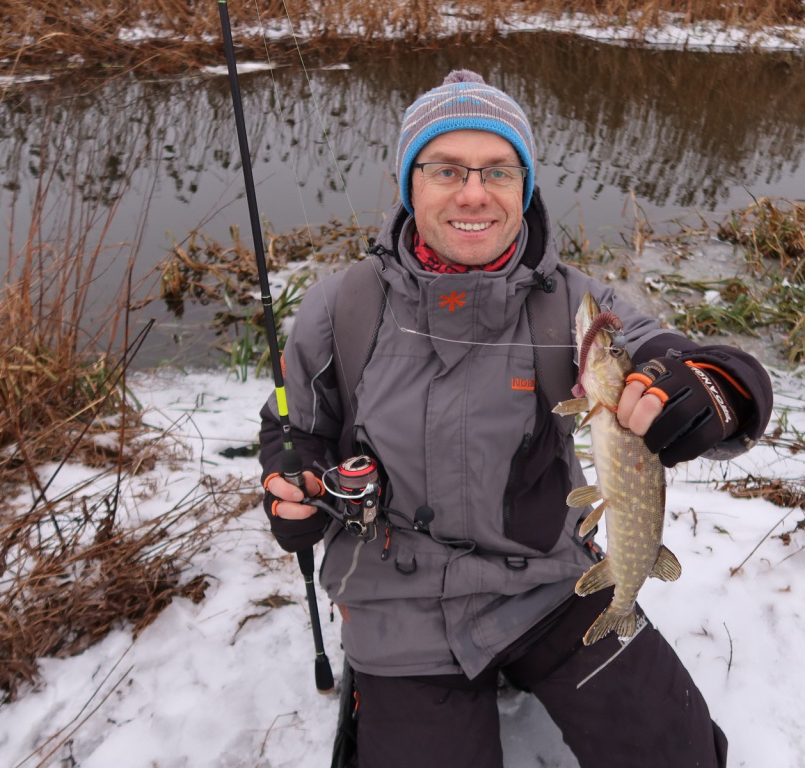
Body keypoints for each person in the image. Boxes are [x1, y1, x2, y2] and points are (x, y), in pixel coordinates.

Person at [259, 69, 772, 768]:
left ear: (524, 185)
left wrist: (717, 390)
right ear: (409, 183)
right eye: (446, 169)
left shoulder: (576, 308)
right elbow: (295, 429)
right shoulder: (340, 308)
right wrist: (300, 489)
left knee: (678, 755)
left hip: (549, 584)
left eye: (498, 171)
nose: (474, 193)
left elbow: (682, 359)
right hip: (396, 601)